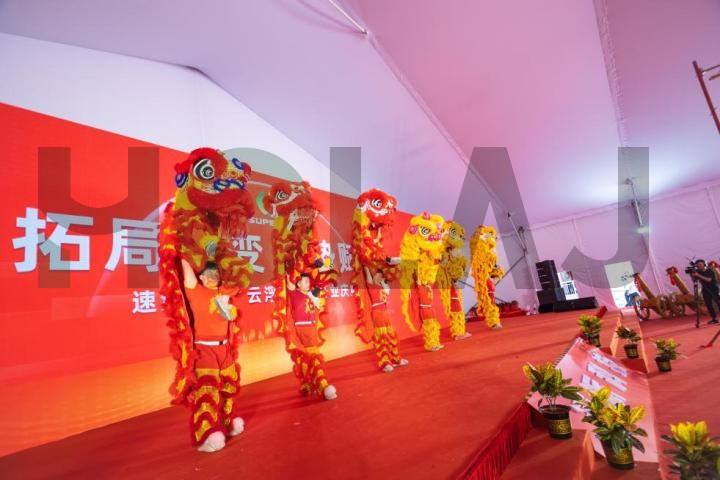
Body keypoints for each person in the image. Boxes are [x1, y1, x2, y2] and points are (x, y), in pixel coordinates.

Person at [180, 259, 245, 453]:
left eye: (216, 273)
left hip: (224, 348)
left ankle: (227, 422)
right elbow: (186, 267)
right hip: (205, 349)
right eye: (209, 274)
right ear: (201, 277)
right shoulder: (196, 290)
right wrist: (184, 254)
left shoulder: (224, 291)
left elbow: (241, 278)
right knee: (207, 391)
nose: (214, 277)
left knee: (228, 387)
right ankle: (207, 433)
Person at [287, 272, 338, 400]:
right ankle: (322, 385)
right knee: (313, 357)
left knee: (306, 358)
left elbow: (320, 284)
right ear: (298, 283)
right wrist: (289, 275)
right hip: (302, 330)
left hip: (311, 329)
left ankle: (307, 383)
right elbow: (290, 284)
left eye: (309, 281)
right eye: (305, 281)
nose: (308, 284)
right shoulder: (295, 294)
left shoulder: (312, 295)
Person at [365, 267, 409, 372]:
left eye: (381, 276)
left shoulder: (382, 286)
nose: (379, 277)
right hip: (377, 313)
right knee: (382, 338)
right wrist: (366, 266)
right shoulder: (371, 285)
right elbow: (367, 272)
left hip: (385, 312)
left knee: (391, 336)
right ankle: (385, 363)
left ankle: (395, 360)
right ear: (373, 276)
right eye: (377, 275)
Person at [691, 259, 720, 325]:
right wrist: (692, 275)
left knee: (718, 303)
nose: (699, 266)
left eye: (700, 264)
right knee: (708, 304)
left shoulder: (710, 271)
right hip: (705, 289)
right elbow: (694, 280)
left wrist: (698, 275)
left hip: (714, 289)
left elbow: (708, 280)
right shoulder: (698, 271)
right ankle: (714, 318)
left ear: (704, 264)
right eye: (698, 265)